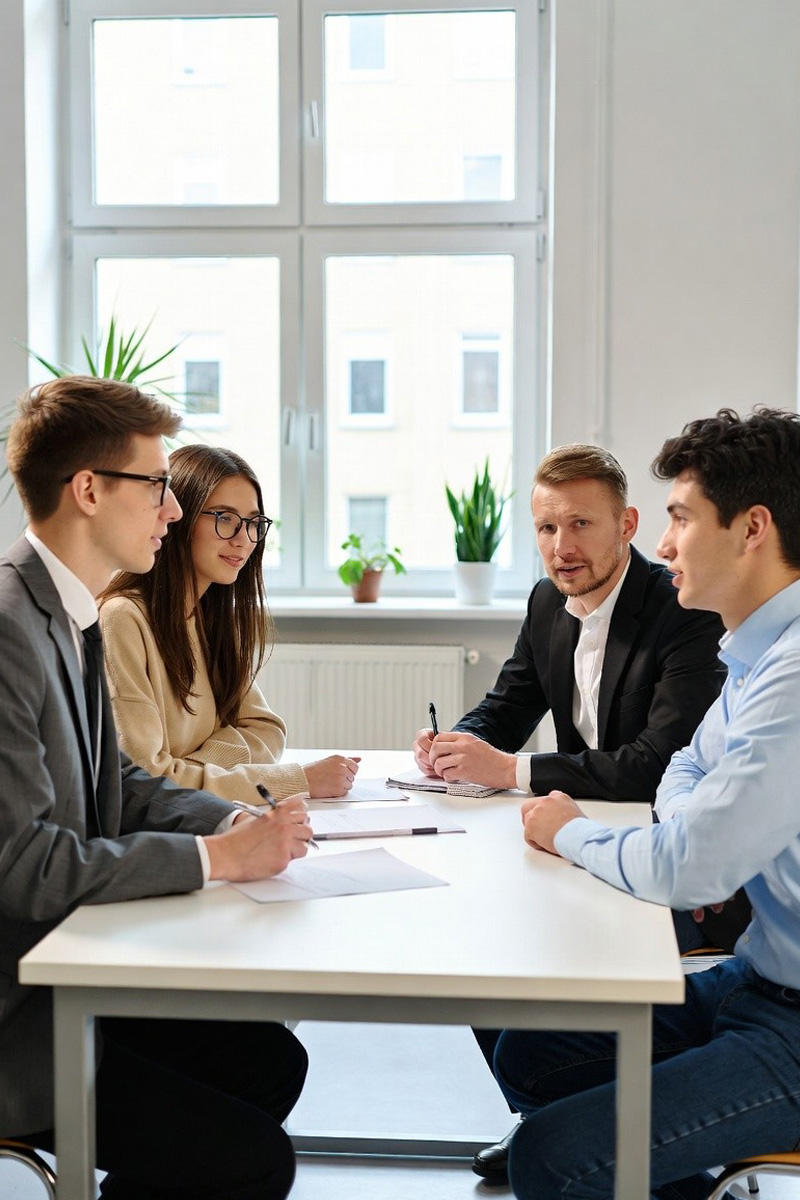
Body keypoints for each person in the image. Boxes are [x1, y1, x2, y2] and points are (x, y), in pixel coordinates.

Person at [0, 376, 314, 1200]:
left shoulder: (69, 615)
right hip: (19, 1012)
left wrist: (237, 818)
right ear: (90, 491)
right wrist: (217, 860)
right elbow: (27, 865)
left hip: (69, 969)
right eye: (158, 489)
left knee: (270, 1061)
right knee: (251, 1160)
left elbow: (126, 784)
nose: (172, 514)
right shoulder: (8, 624)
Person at [494, 406, 800, 1200]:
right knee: (529, 1051)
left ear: (753, 528)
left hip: (795, 1022)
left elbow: (692, 867)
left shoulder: (794, 675)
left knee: (554, 1160)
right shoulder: (754, 647)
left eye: (679, 518)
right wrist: (704, 830)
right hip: (757, 978)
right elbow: (681, 770)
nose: (663, 546)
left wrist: (571, 832)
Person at [412, 444, 729, 1183]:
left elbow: (656, 761)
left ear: (627, 524)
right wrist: (455, 747)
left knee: (555, 975)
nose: (563, 547)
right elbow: (507, 705)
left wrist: (512, 770)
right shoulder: (545, 602)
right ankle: (548, 1119)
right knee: (482, 951)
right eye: (548, 528)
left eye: (581, 524)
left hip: (663, 856)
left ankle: (644, 1151)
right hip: (573, 838)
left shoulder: (683, 610)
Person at [98, 443, 360, 802]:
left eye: (253, 523)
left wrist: (192, 768)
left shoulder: (210, 616)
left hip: (201, 815)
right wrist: (294, 781)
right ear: (180, 517)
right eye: (224, 518)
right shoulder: (122, 619)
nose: (243, 539)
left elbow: (267, 730)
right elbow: (147, 780)